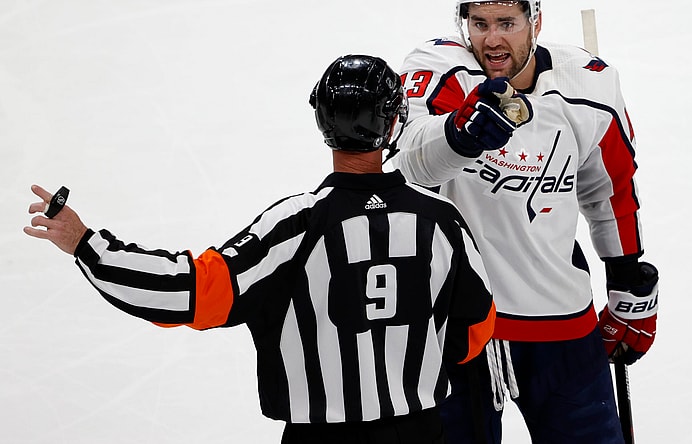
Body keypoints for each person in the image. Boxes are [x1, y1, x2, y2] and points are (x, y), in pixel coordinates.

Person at [24, 54, 497, 444]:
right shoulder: (442, 221)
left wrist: (87, 245)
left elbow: (186, 292)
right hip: (420, 432)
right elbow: (475, 332)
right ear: (395, 121)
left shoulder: (295, 225)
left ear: (321, 122)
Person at [390, 2, 659, 443]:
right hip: (456, 323)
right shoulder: (439, 68)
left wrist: (625, 270)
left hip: (560, 319)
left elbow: (609, 184)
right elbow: (407, 162)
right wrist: (459, 134)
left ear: (536, 21)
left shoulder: (589, 80)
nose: (491, 39)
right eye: (479, 24)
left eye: (506, 24)